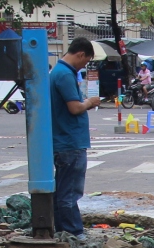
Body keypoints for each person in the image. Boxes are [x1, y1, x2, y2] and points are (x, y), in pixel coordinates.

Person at [50, 37, 103, 236]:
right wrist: (90, 102)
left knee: (63, 190)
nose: (85, 65)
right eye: (86, 61)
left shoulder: (60, 72)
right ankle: (73, 232)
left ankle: (63, 231)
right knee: (69, 192)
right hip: (70, 142)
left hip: (65, 141)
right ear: (80, 54)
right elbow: (75, 107)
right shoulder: (64, 74)